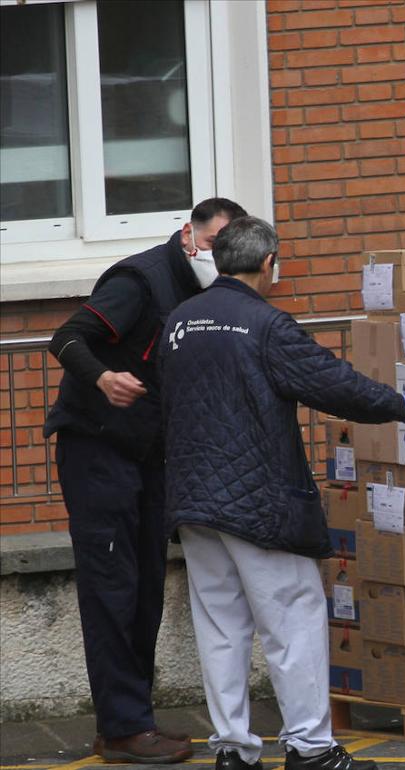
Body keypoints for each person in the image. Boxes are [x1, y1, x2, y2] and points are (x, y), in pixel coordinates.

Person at [159, 216, 405, 770]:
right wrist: (400, 405)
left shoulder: (181, 321)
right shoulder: (266, 324)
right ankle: (310, 748)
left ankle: (233, 749)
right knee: (293, 619)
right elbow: (333, 384)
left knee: (221, 627)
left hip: (193, 497)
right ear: (267, 265)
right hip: (260, 500)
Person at [46, 197, 247, 764]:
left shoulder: (213, 295)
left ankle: (130, 722)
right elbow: (66, 337)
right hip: (98, 447)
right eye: (213, 245)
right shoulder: (141, 280)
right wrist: (104, 378)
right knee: (113, 588)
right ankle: (124, 728)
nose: (219, 258)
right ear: (188, 236)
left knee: (144, 592)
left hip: (148, 454)